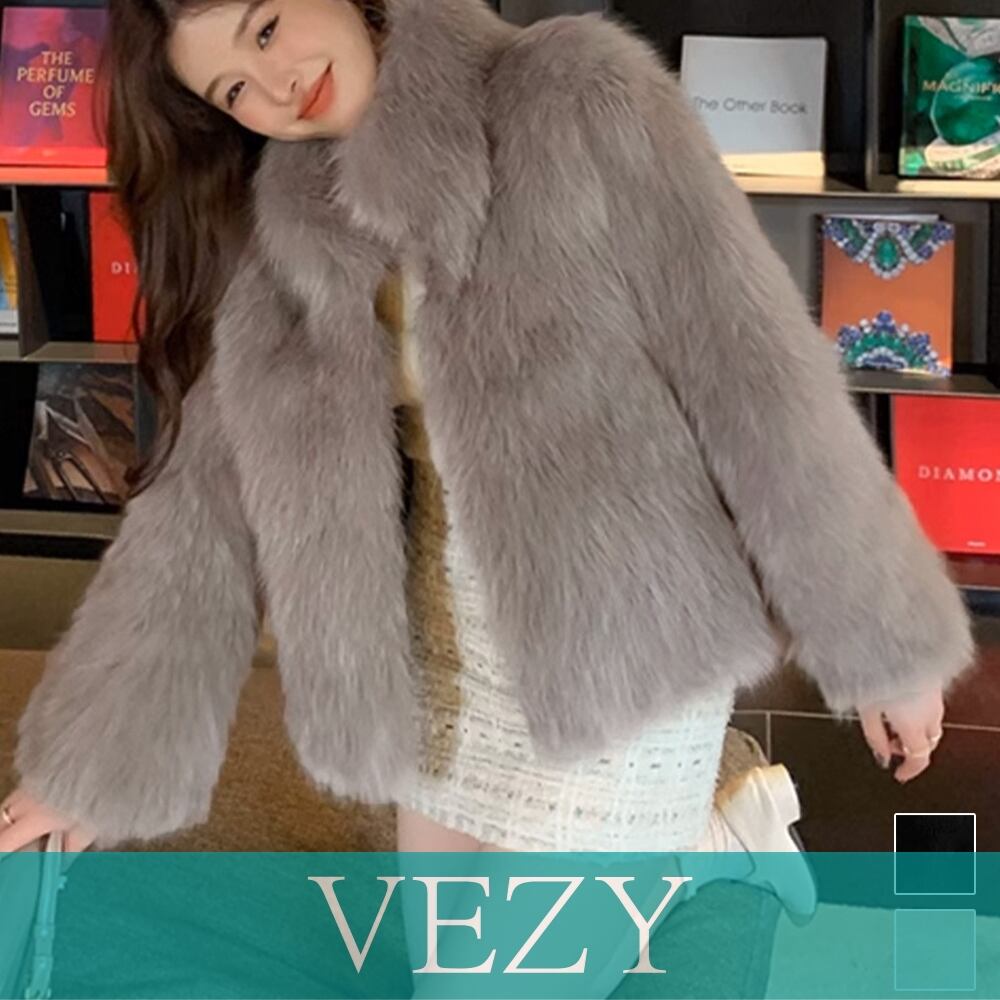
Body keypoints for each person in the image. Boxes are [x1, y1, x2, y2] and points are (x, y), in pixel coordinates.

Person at [0, 0, 972, 959]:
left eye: (267, 29)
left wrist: (883, 641)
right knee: (446, 967)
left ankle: (689, 835)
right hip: (436, 662)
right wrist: (90, 765)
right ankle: (710, 841)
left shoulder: (574, 94)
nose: (278, 85)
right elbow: (202, 508)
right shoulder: (286, 235)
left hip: (621, 634)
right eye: (234, 89)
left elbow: (753, 370)